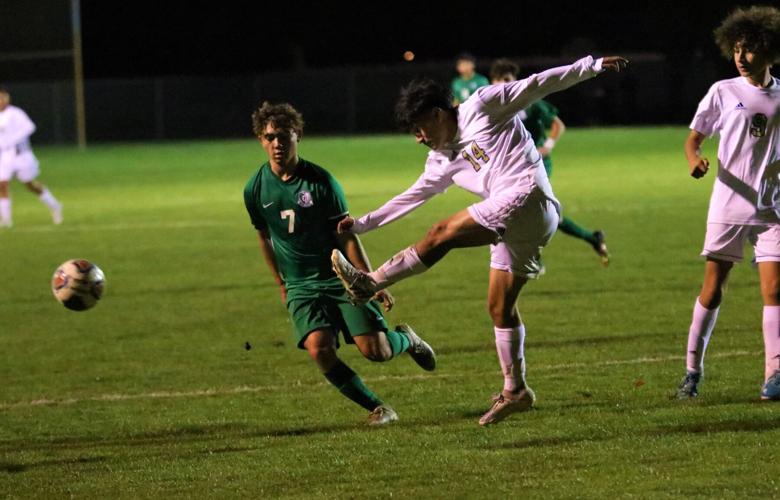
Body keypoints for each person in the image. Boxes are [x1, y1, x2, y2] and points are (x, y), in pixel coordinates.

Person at [331, 55, 628, 425]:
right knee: (499, 307)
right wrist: (361, 225)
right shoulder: (440, 161)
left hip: (529, 198)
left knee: (443, 232)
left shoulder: (483, 105)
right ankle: (516, 389)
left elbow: (537, 84)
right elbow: (410, 197)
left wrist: (592, 65)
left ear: (438, 113)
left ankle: (369, 283)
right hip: (514, 221)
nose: (419, 138)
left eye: (420, 127)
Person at [243, 101, 436, 426]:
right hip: (300, 285)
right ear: (261, 140)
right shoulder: (255, 188)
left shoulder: (321, 183)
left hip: (340, 279)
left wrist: (371, 280)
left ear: (298, 135)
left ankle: (407, 340)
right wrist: (280, 283)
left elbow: (346, 236)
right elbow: (264, 237)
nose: (277, 144)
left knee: (377, 351)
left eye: (284, 136)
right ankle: (378, 408)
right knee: (319, 348)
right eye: (270, 137)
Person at [676, 5, 780, 401]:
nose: (741, 56)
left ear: (769, 51)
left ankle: (774, 374)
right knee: (713, 288)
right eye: (736, 48)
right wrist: (694, 160)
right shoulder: (723, 91)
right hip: (730, 205)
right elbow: (693, 138)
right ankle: (692, 370)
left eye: (750, 49)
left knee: (774, 290)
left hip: (772, 208)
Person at [490, 59, 609, 266]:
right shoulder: (491, 105)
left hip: (537, 164)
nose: (504, 84)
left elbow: (557, 124)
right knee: (543, 214)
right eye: (500, 80)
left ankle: (531, 256)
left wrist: (548, 145)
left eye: (508, 79)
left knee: (523, 210)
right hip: (512, 167)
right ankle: (592, 238)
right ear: (493, 82)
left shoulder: (529, 102)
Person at [0, 86, 62, 228]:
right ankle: (6, 221)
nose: (1, 101)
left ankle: (55, 206)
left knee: (30, 185)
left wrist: (12, 139)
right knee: (2, 185)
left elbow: (30, 127)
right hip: (5, 157)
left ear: (7, 98)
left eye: (3, 98)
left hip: (22, 155)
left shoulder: (16, 113)